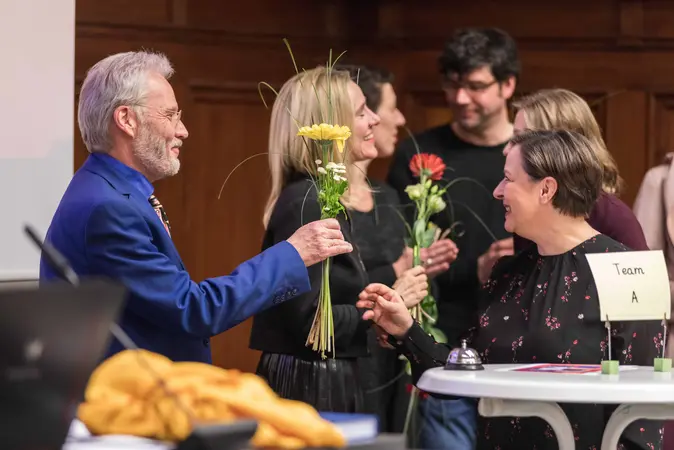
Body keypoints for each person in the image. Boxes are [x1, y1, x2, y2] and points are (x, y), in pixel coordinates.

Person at [40, 51, 353, 364]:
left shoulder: (109, 191)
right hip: (127, 401)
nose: (183, 130)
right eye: (170, 115)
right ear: (126, 120)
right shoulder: (107, 208)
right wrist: (292, 254)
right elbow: (192, 310)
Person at [360, 129, 663, 449]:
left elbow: (644, 410)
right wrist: (405, 329)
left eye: (508, 179)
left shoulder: (630, 271)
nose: (497, 192)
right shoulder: (507, 273)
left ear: (546, 189)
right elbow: (465, 377)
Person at [249, 66, 430, 413]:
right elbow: (309, 324)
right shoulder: (307, 201)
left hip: (330, 379)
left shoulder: (325, 198)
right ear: (331, 129)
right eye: (362, 112)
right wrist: (387, 303)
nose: (375, 120)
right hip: (309, 384)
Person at [386, 27, 520, 449]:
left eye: (476, 87)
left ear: (508, 85)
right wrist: (473, 268)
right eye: (453, 85)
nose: (461, 98)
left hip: (522, 348)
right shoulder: (418, 154)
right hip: (444, 344)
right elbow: (398, 252)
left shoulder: (532, 155)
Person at [336, 63, 458, 432]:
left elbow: (406, 274)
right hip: (347, 366)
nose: (398, 118)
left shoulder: (388, 196)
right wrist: (397, 271)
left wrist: (422, 268)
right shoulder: (319, 200)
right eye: (390, 107)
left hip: (392, 359)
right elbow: (327, 291)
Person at [510, 88, 648, 253]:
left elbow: (642, 278)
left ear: (560, 145)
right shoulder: (530, 209)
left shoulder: (614, 219)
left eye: (520, 140)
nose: (507, 150)